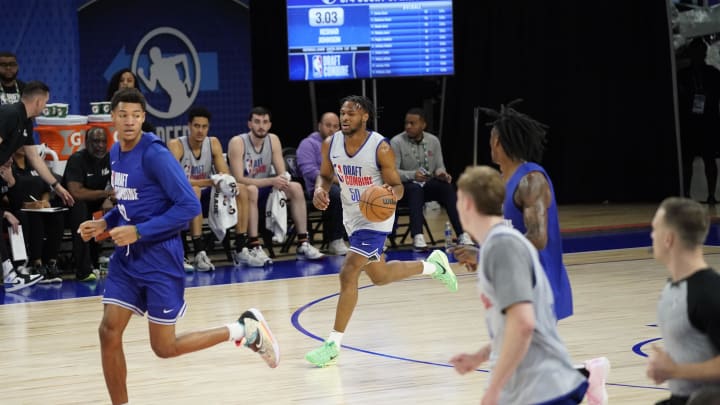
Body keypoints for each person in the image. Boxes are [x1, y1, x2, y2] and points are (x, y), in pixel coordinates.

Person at [78, 88, 279, 405]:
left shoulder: (155, 154)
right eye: (122, 115)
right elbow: (132, 203)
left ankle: (242, 329)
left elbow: (188, 206)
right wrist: (106, 223)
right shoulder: (116, 151)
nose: (129, 121)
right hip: (127, 260)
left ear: (143, 118)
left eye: (135, 115)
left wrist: (139, 232)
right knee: (108, 331)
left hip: (160, 257)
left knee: (164, 347)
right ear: (112, 118)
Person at [304, 95, 458, 367]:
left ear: (365, 116)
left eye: (351, 113)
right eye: (342, 113)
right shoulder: (331, 143)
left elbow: (398, 187)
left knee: (348, 271)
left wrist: (390, 194)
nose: (345, 117)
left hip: (376, 219)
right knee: (380, 276)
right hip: (352, 215)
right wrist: (320, 189)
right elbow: (326, 176)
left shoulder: (380, 147)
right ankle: (434, 266)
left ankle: (332, 344)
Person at [449, 165, 609, 405]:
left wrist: (493, 388)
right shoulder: (501, 243)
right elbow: (516, 326)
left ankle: (592, 375)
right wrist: (479, 357)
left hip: (542, 389)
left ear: (468, 205)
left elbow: (524, 325)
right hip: (531, 388)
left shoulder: (502, 247)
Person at [452, 100, 573, 321]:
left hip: (537, 285)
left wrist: (485, 255)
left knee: (524, 354)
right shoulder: (501, 182)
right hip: (513, 284)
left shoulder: (531, 180)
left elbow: (537, 238)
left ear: (497, 142)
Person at [227, 106, 324, 266]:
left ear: (270, 125)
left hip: (265, 190)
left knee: (295, 188)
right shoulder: (238, 142)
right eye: (257, 122)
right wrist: (272, 181)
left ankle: (303, 242)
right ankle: (254, 245)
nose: (261, 126)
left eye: (265, 122)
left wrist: (282, 179)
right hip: (242, 194)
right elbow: (239, 179)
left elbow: (282, 173)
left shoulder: (273, 140)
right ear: (249, 124)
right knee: (251, 190)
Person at [646, 196, 720, 405]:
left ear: (668, 239)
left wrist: (675, 370)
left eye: (654, 229)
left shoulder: (709, 293)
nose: (651, 236)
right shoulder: (672, 289)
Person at [168, 106, 250, 270]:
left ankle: (241, 247)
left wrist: (221, 181)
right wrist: (208, 182)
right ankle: (199, 252)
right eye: (196, 126)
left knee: (242, 189)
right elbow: (175, 181)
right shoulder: (176, 145)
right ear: (189, 126)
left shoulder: (213, 143)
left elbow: (224, 175)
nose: (200, 130)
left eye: (204, 127)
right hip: (178, 199)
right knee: (194, 191)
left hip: (207, 197)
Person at [390, 107, 472, 250]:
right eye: (406, 123)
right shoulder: (396, 142)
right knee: (415, 189)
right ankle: (418, 236)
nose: (408, 126)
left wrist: (442, 174)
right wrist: (412, 175)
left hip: (427, 184)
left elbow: (440, 166)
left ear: (423, 125)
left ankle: (462, 233)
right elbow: (393, 173)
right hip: (406, 188)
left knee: (446, 188)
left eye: (412, 123)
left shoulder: (433, 141)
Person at [0, 80, 74, 205]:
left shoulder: (27, 121)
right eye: (45, 102)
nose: (45, 106)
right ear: (38, 102)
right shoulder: (10, 114)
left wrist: (56, 186)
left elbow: (34, 158)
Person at [6, 146, 65, 283]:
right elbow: (5, 195)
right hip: (16, 208)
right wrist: (26, 205)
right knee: (32, 216)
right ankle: (36, 263)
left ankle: (51, 262)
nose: (21, 145)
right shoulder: (8, 163)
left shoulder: (34, 162)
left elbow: (46, 188)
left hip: (38, 207)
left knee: (57, 215)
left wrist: (44, 202)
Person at [63, 126, 114, 281]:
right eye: (95, 141)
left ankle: (131, 263)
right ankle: (83, 270)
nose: (100, 145)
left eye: (103, 141)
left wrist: (109, 199)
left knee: (127, 205)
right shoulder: (77, 159)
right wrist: (106, 194)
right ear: (86, 142)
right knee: (80, 208)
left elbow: (119, 184)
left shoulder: (111, 158)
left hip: (98, 204)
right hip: (72, 207)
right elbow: (75, 192)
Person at [297, 111, 348, 255]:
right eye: (328, 125)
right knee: (336, 193)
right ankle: (335, 240)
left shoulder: (343, 144)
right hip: (316, 188)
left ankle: (368, 239)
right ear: (320, 126)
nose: (332, 129)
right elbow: (309, 171)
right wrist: (338, 180)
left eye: (335, 126)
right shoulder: (308, 144)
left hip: (341, 184)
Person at [0, 157, 42, 292]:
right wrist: (4, 214)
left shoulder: (8, 172)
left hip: (4, 213)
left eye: (12, 157)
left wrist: (11, 182)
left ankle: (19, 267)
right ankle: (9, 275)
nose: (11, 160)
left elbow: (17, 204)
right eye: (7, 156)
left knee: (20, 216)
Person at [105, 68, 155, 133]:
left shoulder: (147, 130)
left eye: (129, 81)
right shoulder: (107, 107)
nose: (125, 83)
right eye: (121, 80)